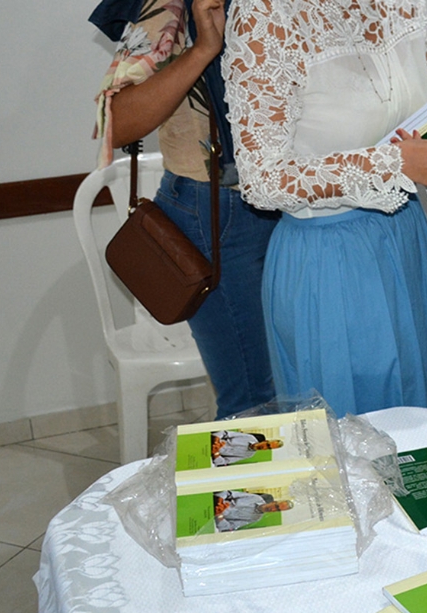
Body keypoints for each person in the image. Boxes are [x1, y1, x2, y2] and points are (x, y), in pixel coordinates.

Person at [222, 0, 427, 417]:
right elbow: (261, 179)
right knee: (362, 441)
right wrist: (394, 164)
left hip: (406, 240)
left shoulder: (402, 4)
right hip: (329, 260)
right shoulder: (267, 14)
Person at [91, 0, 277, 419]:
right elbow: (118, 121)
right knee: (253, 401)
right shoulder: (171, 6)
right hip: (221, 215)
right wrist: (202, 50)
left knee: (295, 384)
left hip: (294, 205)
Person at [213, 490, 291, 532]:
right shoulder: (256, 498)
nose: (273, 509)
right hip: (214, 502)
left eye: (277, 510)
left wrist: (220, 515)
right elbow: (228, 493)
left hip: (214, 519)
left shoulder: (255, 518)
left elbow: (229, 527)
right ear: (274, 502)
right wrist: (219, 501)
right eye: (276, 506)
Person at [210, 430, 281, 466]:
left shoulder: (249, 455)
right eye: (267, 445)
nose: (264, 447)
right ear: (265, 441)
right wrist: (216, 441)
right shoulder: (249, 437)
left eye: (268, 448)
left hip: (211, 455)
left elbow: (224, 461)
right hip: (210, 441)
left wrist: (216, 452)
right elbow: (224, 433)